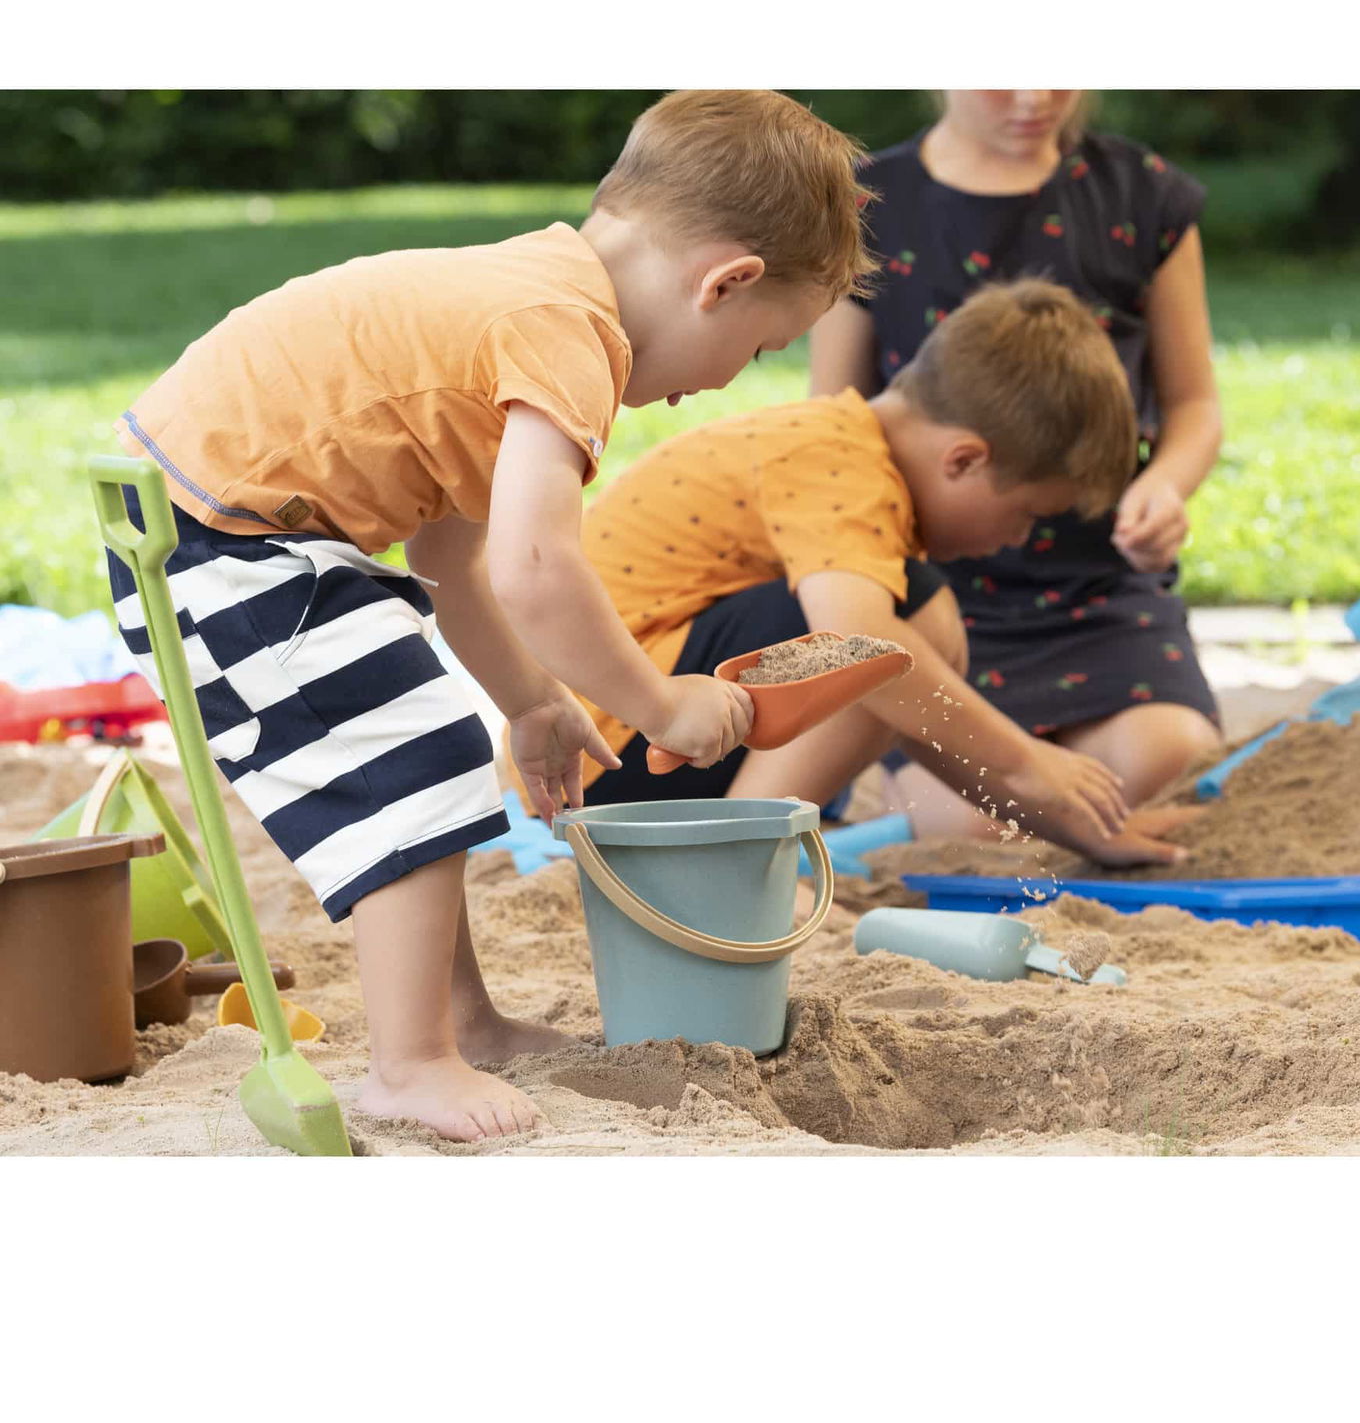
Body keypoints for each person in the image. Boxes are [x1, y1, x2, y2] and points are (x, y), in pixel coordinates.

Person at [104, 90, 868, 1142]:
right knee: (414, 756)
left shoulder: (535, 290)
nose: (732, 378)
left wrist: (533, 701)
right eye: (762, 346)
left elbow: (451, 558)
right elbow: (535, 566)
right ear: (725, 282)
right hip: (211, 543)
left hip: (209, 524)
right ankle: (410, 1064)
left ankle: (457, 1025)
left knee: (428, 745)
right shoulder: (570, 334)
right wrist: (659, 705)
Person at [549, 278, 1187, 868]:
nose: (1017, 540)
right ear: (964, 460)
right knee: (900, 631)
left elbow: (922, 718)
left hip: (648, 741)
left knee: (912, 642)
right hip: (621, 748)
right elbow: (863, 644)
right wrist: (1027, 761)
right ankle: (744, 859)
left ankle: (746, 848)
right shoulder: (839, 458)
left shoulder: (851, 459)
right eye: (1028, 516)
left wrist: (1079, 826)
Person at [809, 90, 1224, 836]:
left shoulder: (1141, 195)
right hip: (939, 594)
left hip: (1101, 587)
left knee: (1171, 757)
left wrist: (1164, 487)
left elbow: (1194, 404)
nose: (1037, 96)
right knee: (977, 825)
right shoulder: (865, 207)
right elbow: (834, 424)